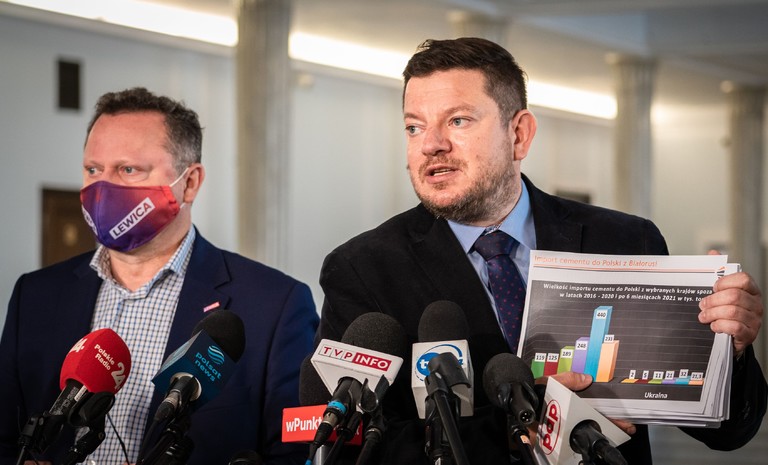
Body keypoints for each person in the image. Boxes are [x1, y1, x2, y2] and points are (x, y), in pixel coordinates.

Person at [315, 37, 767, 464]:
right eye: (414, 127)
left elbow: (727, 432)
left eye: (458, 121)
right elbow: (349, 446)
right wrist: (532, 423)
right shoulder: (361, 270)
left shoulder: (626, 242)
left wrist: (731, 349)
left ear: (520, 134)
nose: (431, 144)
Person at [0, 87, 319, 465]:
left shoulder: (273, 307)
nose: (103, 189)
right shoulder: (35, 296)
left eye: (128, 169)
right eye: (93, 170)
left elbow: (295, 454)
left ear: (190, 182)